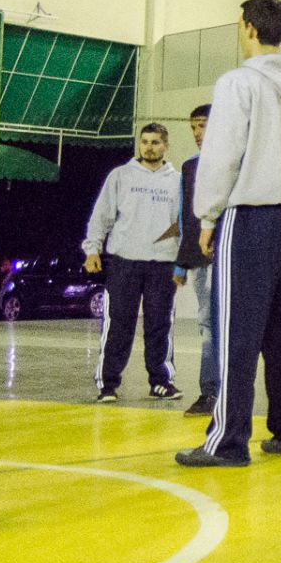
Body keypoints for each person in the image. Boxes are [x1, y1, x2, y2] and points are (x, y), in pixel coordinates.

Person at [177, 0, 281, 468]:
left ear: (250, 29)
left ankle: (227, 440)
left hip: (251, 215)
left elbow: (221, 154)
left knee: (234, 330)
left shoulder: (238, 83)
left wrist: (207, 214)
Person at [83, 123, 182, 402]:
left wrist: (183, 261)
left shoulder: (177, 181)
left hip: (163, 264)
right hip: (124, 262)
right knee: (118, 323)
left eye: (155, 142)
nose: (149, 147)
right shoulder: (121, 176)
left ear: (166, 146)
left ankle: (161, 381)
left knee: (160, 324)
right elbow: (101, 215)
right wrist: (93, 250)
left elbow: (183, 223)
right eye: (145, 141)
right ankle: (108, 384)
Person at [173, 104, 219, 417]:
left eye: (202, 126)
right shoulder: (189, 168)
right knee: (207, 323)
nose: (197, 133)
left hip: (230, 257)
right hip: (202, 261)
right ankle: (210, 392)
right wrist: (181, 261)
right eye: (193, 127)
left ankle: (229, 391)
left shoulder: (237, 163)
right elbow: (186, 217)